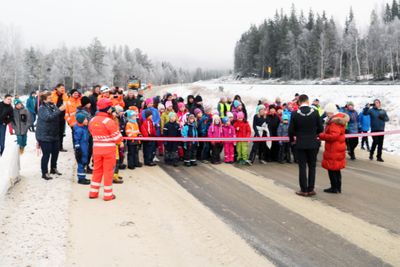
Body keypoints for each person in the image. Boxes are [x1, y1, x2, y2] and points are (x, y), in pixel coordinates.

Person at [88, 97, 123, 201]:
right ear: (108, 109)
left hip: (97, 150)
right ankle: (108, 194)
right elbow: (118, 138)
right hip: (108, 151)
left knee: (97, 171)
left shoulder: (92, 120)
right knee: (108, 172)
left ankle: (93, 192)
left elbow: (91, 132)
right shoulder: (109, 121)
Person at [289, 94, 323, 197]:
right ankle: (311, 189)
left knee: (302, 167)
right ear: (308, 101)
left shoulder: (295, 113)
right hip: (313, 143)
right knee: (312, 167)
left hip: (300, 143)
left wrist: (292, 140)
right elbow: (321, 128)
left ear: (299, 102)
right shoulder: (315, 112)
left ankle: (303, 190)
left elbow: (291, 130)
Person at [319, 103, 349, 194]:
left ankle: (334, 188)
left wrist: (321, 135)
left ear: (331, 112)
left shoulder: (334, 122)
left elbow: (333, 136)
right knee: (336, 168)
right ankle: (337, 187)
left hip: (334, 148)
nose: (326, 114)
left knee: (332, 168)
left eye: (327, 112)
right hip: (338, 147)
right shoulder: (339, 120)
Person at [36, 91, 66, 180]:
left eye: (51, 97)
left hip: (54, 134)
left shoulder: (53, 106)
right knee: (46, 154)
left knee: (55, 153)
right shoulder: (42, 108)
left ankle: (53, 168)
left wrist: (61, 110)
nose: (51, 99)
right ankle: (44, 172)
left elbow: (57, 116)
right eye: (49, 98)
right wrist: (59, 110)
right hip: (44, 135)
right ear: (44, 100)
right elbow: (48, 118)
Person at [73, 113, 91, 185]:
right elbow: (76, 140)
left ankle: (83, 176)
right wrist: (78, 149)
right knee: (81, 163)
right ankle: (81, 178)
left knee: (84, 162)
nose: (87, 120)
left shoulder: (84, 127)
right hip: (81, 149)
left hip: (85, 147)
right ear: (81, 121)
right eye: (85, 119)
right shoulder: (79, 130)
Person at [51, 84, 68, 152]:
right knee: (54, 132)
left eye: (63, 88)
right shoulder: (52, 95)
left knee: (61, 132)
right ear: (57, 88)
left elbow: (66, 105)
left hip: (62, 116)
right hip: (54, 116)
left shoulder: (65, 95)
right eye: (61, 88)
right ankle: (53, 146)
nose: (62, 89)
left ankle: (60, 146)